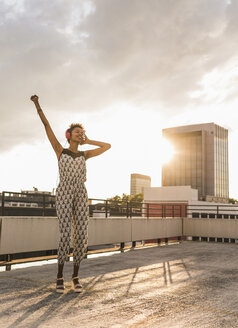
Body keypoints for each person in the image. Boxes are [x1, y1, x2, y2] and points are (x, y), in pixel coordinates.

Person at [30, 95, 111, 293]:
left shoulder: (85, 154)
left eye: (82, 132)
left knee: (82, 234)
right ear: (69, 135)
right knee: (65, 233)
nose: (80, 134)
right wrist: (37, 105)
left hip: (81, 193)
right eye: (77, 132)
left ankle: (75, 277)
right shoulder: (60, 151)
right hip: (65, 192)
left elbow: (107, 146)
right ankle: (59, 276)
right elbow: (47, 126)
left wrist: (89, 140)